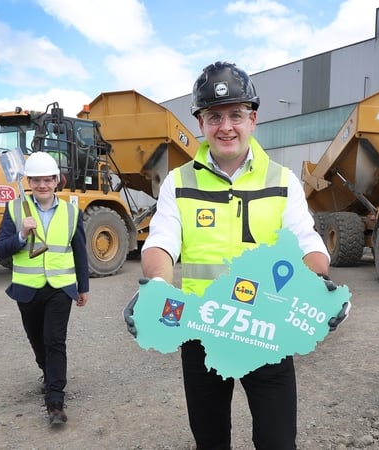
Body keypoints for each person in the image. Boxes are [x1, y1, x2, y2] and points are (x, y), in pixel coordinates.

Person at [138, 61, 342, 449]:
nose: (225, 126)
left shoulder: (283, 181)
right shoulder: (178, 183)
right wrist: (157, 287)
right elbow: (161, 243)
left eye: (235, 114)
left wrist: (318, 287)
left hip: (267, 329)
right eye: (214, 116)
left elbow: (309, 244)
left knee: (278, 441)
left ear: (253, 119)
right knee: (211, 440)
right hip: (202, 331)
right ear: (200, 123)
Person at [0, 151, 89, 425]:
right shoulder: (15, 209)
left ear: (57, 181)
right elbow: (1, 249)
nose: (42, 185)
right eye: (36, 180)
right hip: (27, 289)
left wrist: (83, 287)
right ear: (28, 182)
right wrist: (21, 235)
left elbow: (80, 253)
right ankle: (48, 374)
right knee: (38, 342)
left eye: (47, 180)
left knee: (54, 341)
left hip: (61, 288)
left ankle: (55, 401)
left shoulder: (72, 213)